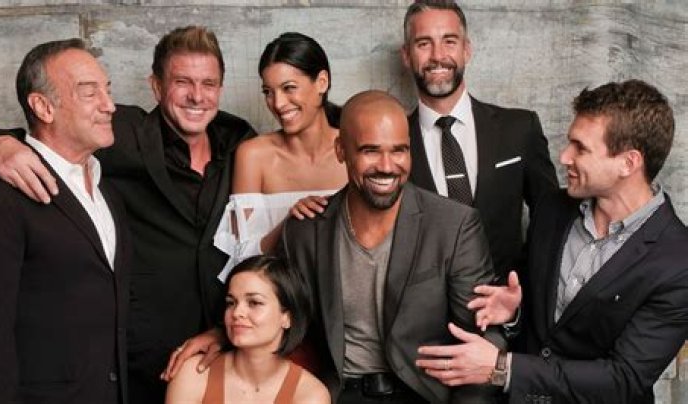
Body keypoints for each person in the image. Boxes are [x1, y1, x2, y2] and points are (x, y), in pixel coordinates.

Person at [0, 26, 256, 403]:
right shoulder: (120, 137)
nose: (109, 105)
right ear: (156, 86)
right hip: (135, 369)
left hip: (221, 357)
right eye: (182, 82)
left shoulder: (243, 146)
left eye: (209, 83)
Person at [415, 80, 688, 404]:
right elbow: (543, 325)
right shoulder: (552, 209)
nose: (564, 156)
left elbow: (623, 379)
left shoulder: (677, 262)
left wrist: (502, 368)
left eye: (580, 148)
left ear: (628, 163)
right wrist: (515, 313)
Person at [280, 90, 503, 403]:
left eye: (399, 150)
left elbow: (482, 338)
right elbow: (280, 321)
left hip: (424, 396)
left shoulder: (454, 226)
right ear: (341, 150)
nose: (387, 166)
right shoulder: (306, 230)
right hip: (339, 395)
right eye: (370, 151)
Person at [0, 39, 130, 404]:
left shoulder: (107, 190)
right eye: (89, 93)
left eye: (107, 90)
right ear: (43, 106)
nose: (109, 105)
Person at [401, 0, 558, 281]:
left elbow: (551, 218)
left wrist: (525, 286)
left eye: (449, 41)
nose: (438, 56)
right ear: (406, 55)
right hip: (424, 305)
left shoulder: (520, 128)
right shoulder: (392, 143)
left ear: (467, 50)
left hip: (510, 300)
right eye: (424, 44)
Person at [213, 32, 346, 280]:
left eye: (289, 88)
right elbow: (243, 259)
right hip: (277, 296)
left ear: (322, 82)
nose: (278, 103)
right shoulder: (253, 156)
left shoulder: (353, 147)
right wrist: (290, 224)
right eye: (268, 92)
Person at [166, 255, 330, 403]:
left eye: (254, 303)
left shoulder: (311, 395)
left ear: (287, 317)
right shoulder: (193, 374)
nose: (237, 312)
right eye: (231, 303)